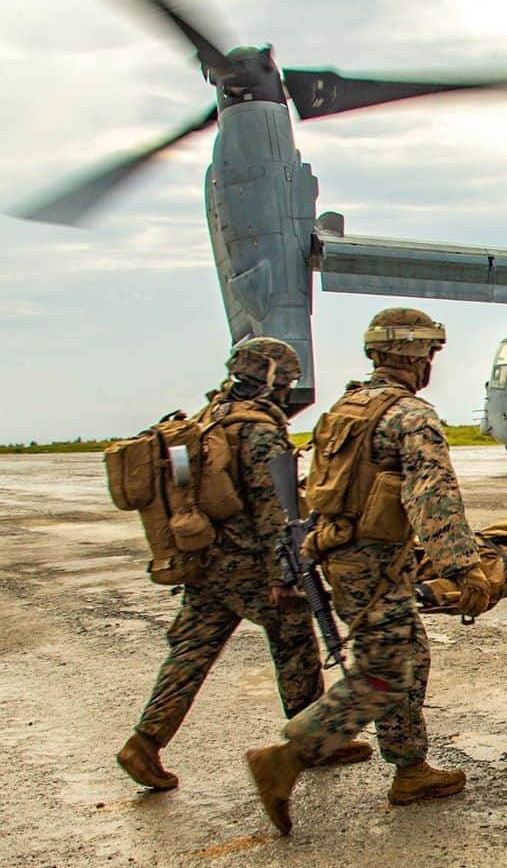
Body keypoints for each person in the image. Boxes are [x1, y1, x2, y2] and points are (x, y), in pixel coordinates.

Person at [246, 308, 491, 834]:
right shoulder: (410, 415)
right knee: (383, 674)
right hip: (375, 563)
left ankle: (409, 767)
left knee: (410, 655)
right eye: (429, 353)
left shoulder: (344, 409)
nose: (429, 363)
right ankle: (288, 756)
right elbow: (432, 494)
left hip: (344, 556)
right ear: (416, 355)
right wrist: (461, 568)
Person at [116, 338, 372, 791]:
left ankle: (145, 742)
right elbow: (273, 505)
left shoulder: (210, 417)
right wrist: (284, 575)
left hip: (208, 560)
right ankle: (311, 740)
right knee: (294, 637)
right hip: (248, 563)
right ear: (275, 380)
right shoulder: (258, 429)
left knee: (192, 650)